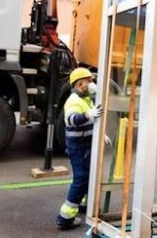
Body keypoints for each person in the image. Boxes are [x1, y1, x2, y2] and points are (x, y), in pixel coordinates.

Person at [56, 67, 103, 230]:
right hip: (78, 148)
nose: (91, 84)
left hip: (86, 145)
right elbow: (71, 120)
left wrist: (100, 134)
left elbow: (94, 120)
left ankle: (83, 205)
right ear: (78, 84)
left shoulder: (87, 99)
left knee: (89, 176)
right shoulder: (74, 100)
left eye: (91, 81)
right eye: (88, 82)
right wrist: (88, 115)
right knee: (81, 179)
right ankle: (65, 217)